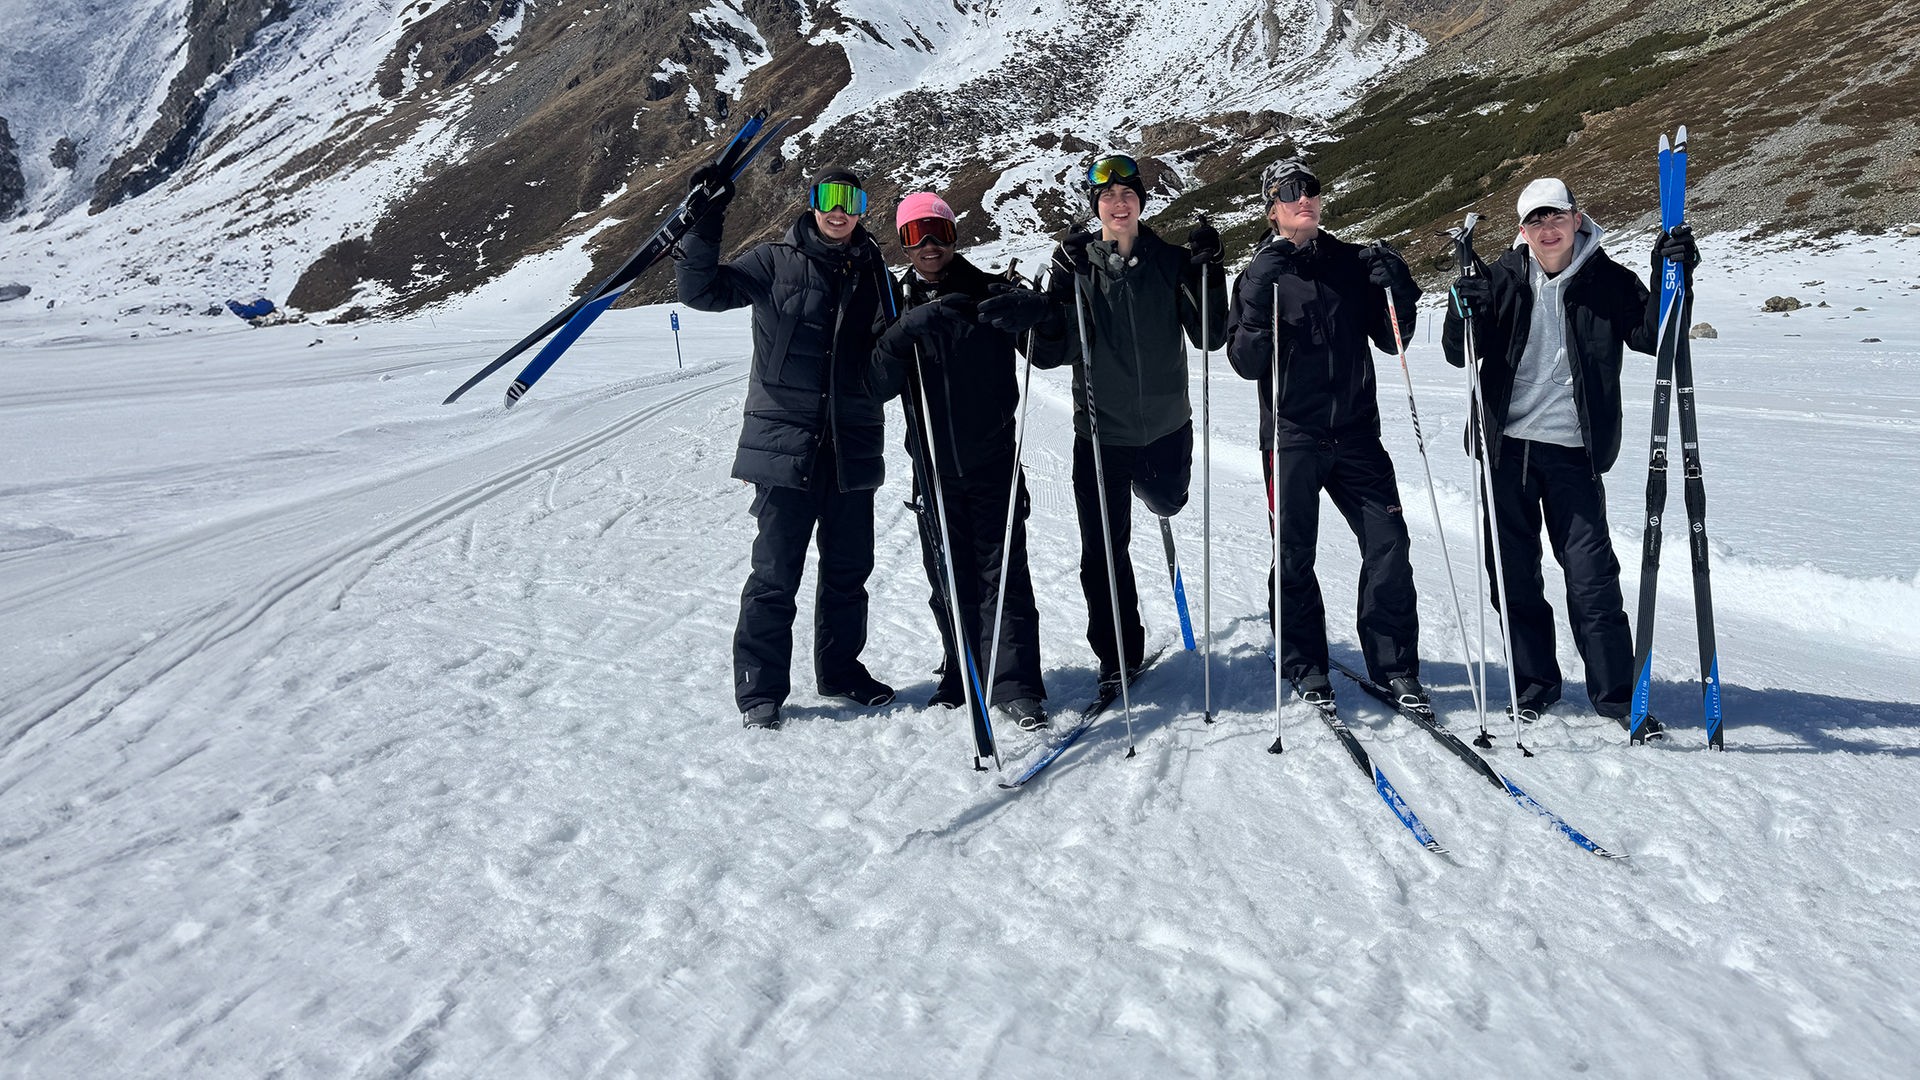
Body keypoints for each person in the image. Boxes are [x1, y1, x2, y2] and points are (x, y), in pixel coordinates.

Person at [1442, 177, 1697, 735]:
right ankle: (1535, 684)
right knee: (1512, 575)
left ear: (1578, 219)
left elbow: (1659, 336)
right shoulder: (1503, 278)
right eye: (1535, 221)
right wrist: (1462, 309)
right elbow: (1458, 352)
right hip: (1505, 450)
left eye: (1556, 217)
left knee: (1591, 578)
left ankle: (1615, 695)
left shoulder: (1607, 281)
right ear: (1522, 231)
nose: (1548, 229)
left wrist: (1672, 274)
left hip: (1573, 454)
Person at [677, 165, 897, 730]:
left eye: (851, 198)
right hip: (786, 444)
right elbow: (701, 291)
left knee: (850, 571)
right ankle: (760, 690)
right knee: (775, 574)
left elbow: (891, 356)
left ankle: (841, 671)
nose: (839, 209)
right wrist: (705, 221)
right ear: (813, 202)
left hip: (851, 445)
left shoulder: (877, 273)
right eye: (829, 197)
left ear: (863, 207)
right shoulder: (774, 262)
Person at [1224, 157, 1428, 709]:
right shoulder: (1257, 274)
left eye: (1311, 188)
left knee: (1389, 545)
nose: (1304, 198)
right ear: (1272, 208)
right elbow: (1245, 363)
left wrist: (1400, 290)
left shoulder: (1351, 262)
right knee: (1293, 554)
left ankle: (1393, 665)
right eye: (1290, 191)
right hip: (1291, 435)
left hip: (1357, 433)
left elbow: (1392, 340)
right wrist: (1254, 301)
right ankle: (1304, 663)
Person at [1030, 153, 1227, 691]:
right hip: (1100, 436)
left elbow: (1210, 335)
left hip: (1166, 427)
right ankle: (1118, 654)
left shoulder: (1168, 261)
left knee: (1168, 500)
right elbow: (1052, 352)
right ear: (1095, 207)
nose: (1119, 204)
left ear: (1141, 201)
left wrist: (1211, 272)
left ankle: (1156, 492)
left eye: (1128, 195)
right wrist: (1056, 288)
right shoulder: (1079, 268)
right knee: (1102, 549)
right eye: (1108, 197)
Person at [870, 193, 1054, 729]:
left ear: (954, 236)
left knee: (1004, 572)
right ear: (903, 245)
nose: (928, 245)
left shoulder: (988, 291)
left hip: (993, 456)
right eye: (914, 235)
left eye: (938, 232)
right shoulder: (894, 305)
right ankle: (963, 670)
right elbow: (875, 384)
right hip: (931, 463)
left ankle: (1016, 683)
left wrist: (1037, 315)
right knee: (947, 574)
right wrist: (899, 337)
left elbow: (1049, 352)